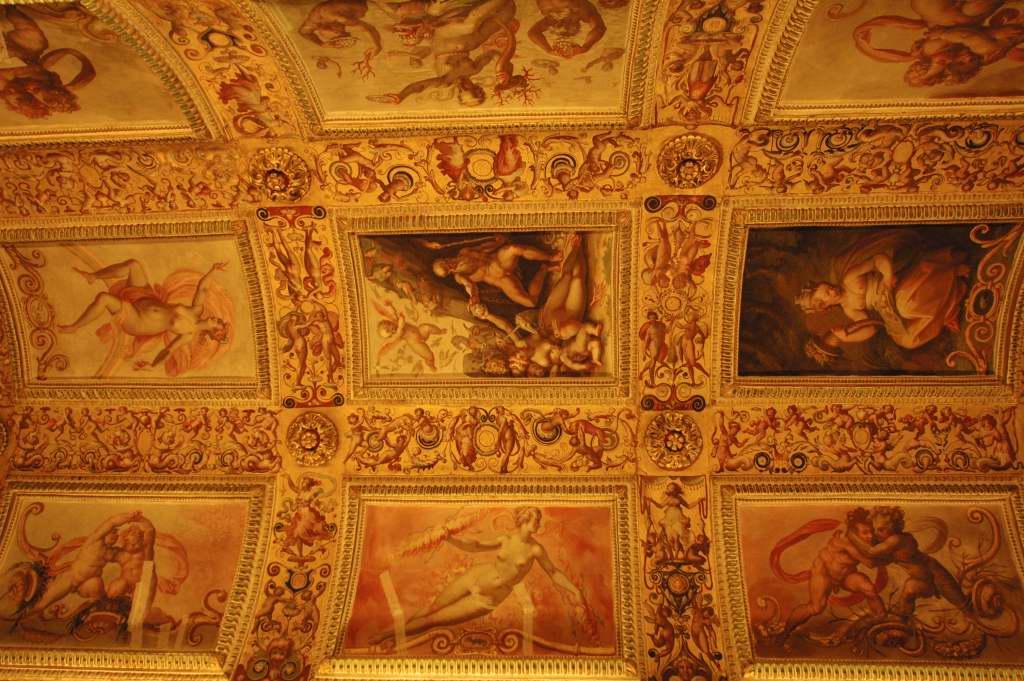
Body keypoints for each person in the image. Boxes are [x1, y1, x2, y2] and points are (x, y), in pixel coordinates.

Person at [372, 506, 589, 645]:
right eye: (536, 520)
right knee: (431, 608)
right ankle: (387, 633)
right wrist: (449, 538)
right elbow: (475, 546)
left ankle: (388, 636)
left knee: (433, 620)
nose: (538, 524)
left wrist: (575, 590)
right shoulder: (506, 539)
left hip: (487, 598)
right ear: (525, 520)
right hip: (476, 576)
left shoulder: (535, 550)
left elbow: (554, 573)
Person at [795, 233, 970, 366]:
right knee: (907, 340)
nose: (833, 291)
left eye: (829, 287)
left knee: (906, 306)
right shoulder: (849, 308)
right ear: (826, 306)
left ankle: (950, 275)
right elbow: (870, 328)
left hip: (895, 284)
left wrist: (887, 276)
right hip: (888, 307)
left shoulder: (849, 278)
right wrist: (847, 337)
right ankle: (946, 309)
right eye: (829, 294)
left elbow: (878, 260)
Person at [57, 259, 232, 375]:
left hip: (139, 321)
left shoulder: (188, 334)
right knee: (134, 265)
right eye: (219, 320)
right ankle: (93, 276)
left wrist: (152, 365)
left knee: (104, 298)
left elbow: (168, 351)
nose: (217, 319)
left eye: (218, 324)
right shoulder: (196, 310)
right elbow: (202, 288)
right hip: (144, 298)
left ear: (212, 332)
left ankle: (74, 327)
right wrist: (213, 270)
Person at [774, 507, 886, 642]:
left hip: (846, 576)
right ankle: (785, 633)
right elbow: (870, 563)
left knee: (869, 588)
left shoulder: (866, 542)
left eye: (871, 531)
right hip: (824, 573)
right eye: (865, 532)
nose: (870, 536)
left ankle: (881, 621)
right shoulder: (844, 540)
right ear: (853, 532)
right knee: (816, 608)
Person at [846, 506, 970, 618]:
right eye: (875, 530)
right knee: (909, 588)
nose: (876, 534)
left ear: (893, 528)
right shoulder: (889, 545)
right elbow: (872, 563)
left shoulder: (896, 540)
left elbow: (870, 552)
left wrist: (851, 535)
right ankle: (903, 621)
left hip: (935, 573)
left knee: (963, 605)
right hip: (922, 579)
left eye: (881, 530)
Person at [28, 510, 143, 615]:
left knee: (98, 588)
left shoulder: (110, 552)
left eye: (117, 534)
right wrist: (129, 517)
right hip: (72, 578)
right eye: (113, 532)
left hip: (87, 584)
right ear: (105, 533)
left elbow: (127, 557)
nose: (116, 535)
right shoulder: (94, 541)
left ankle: (97, 612)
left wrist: (133, 541)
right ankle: (23, 617)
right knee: (43, 604)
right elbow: (111, 522)